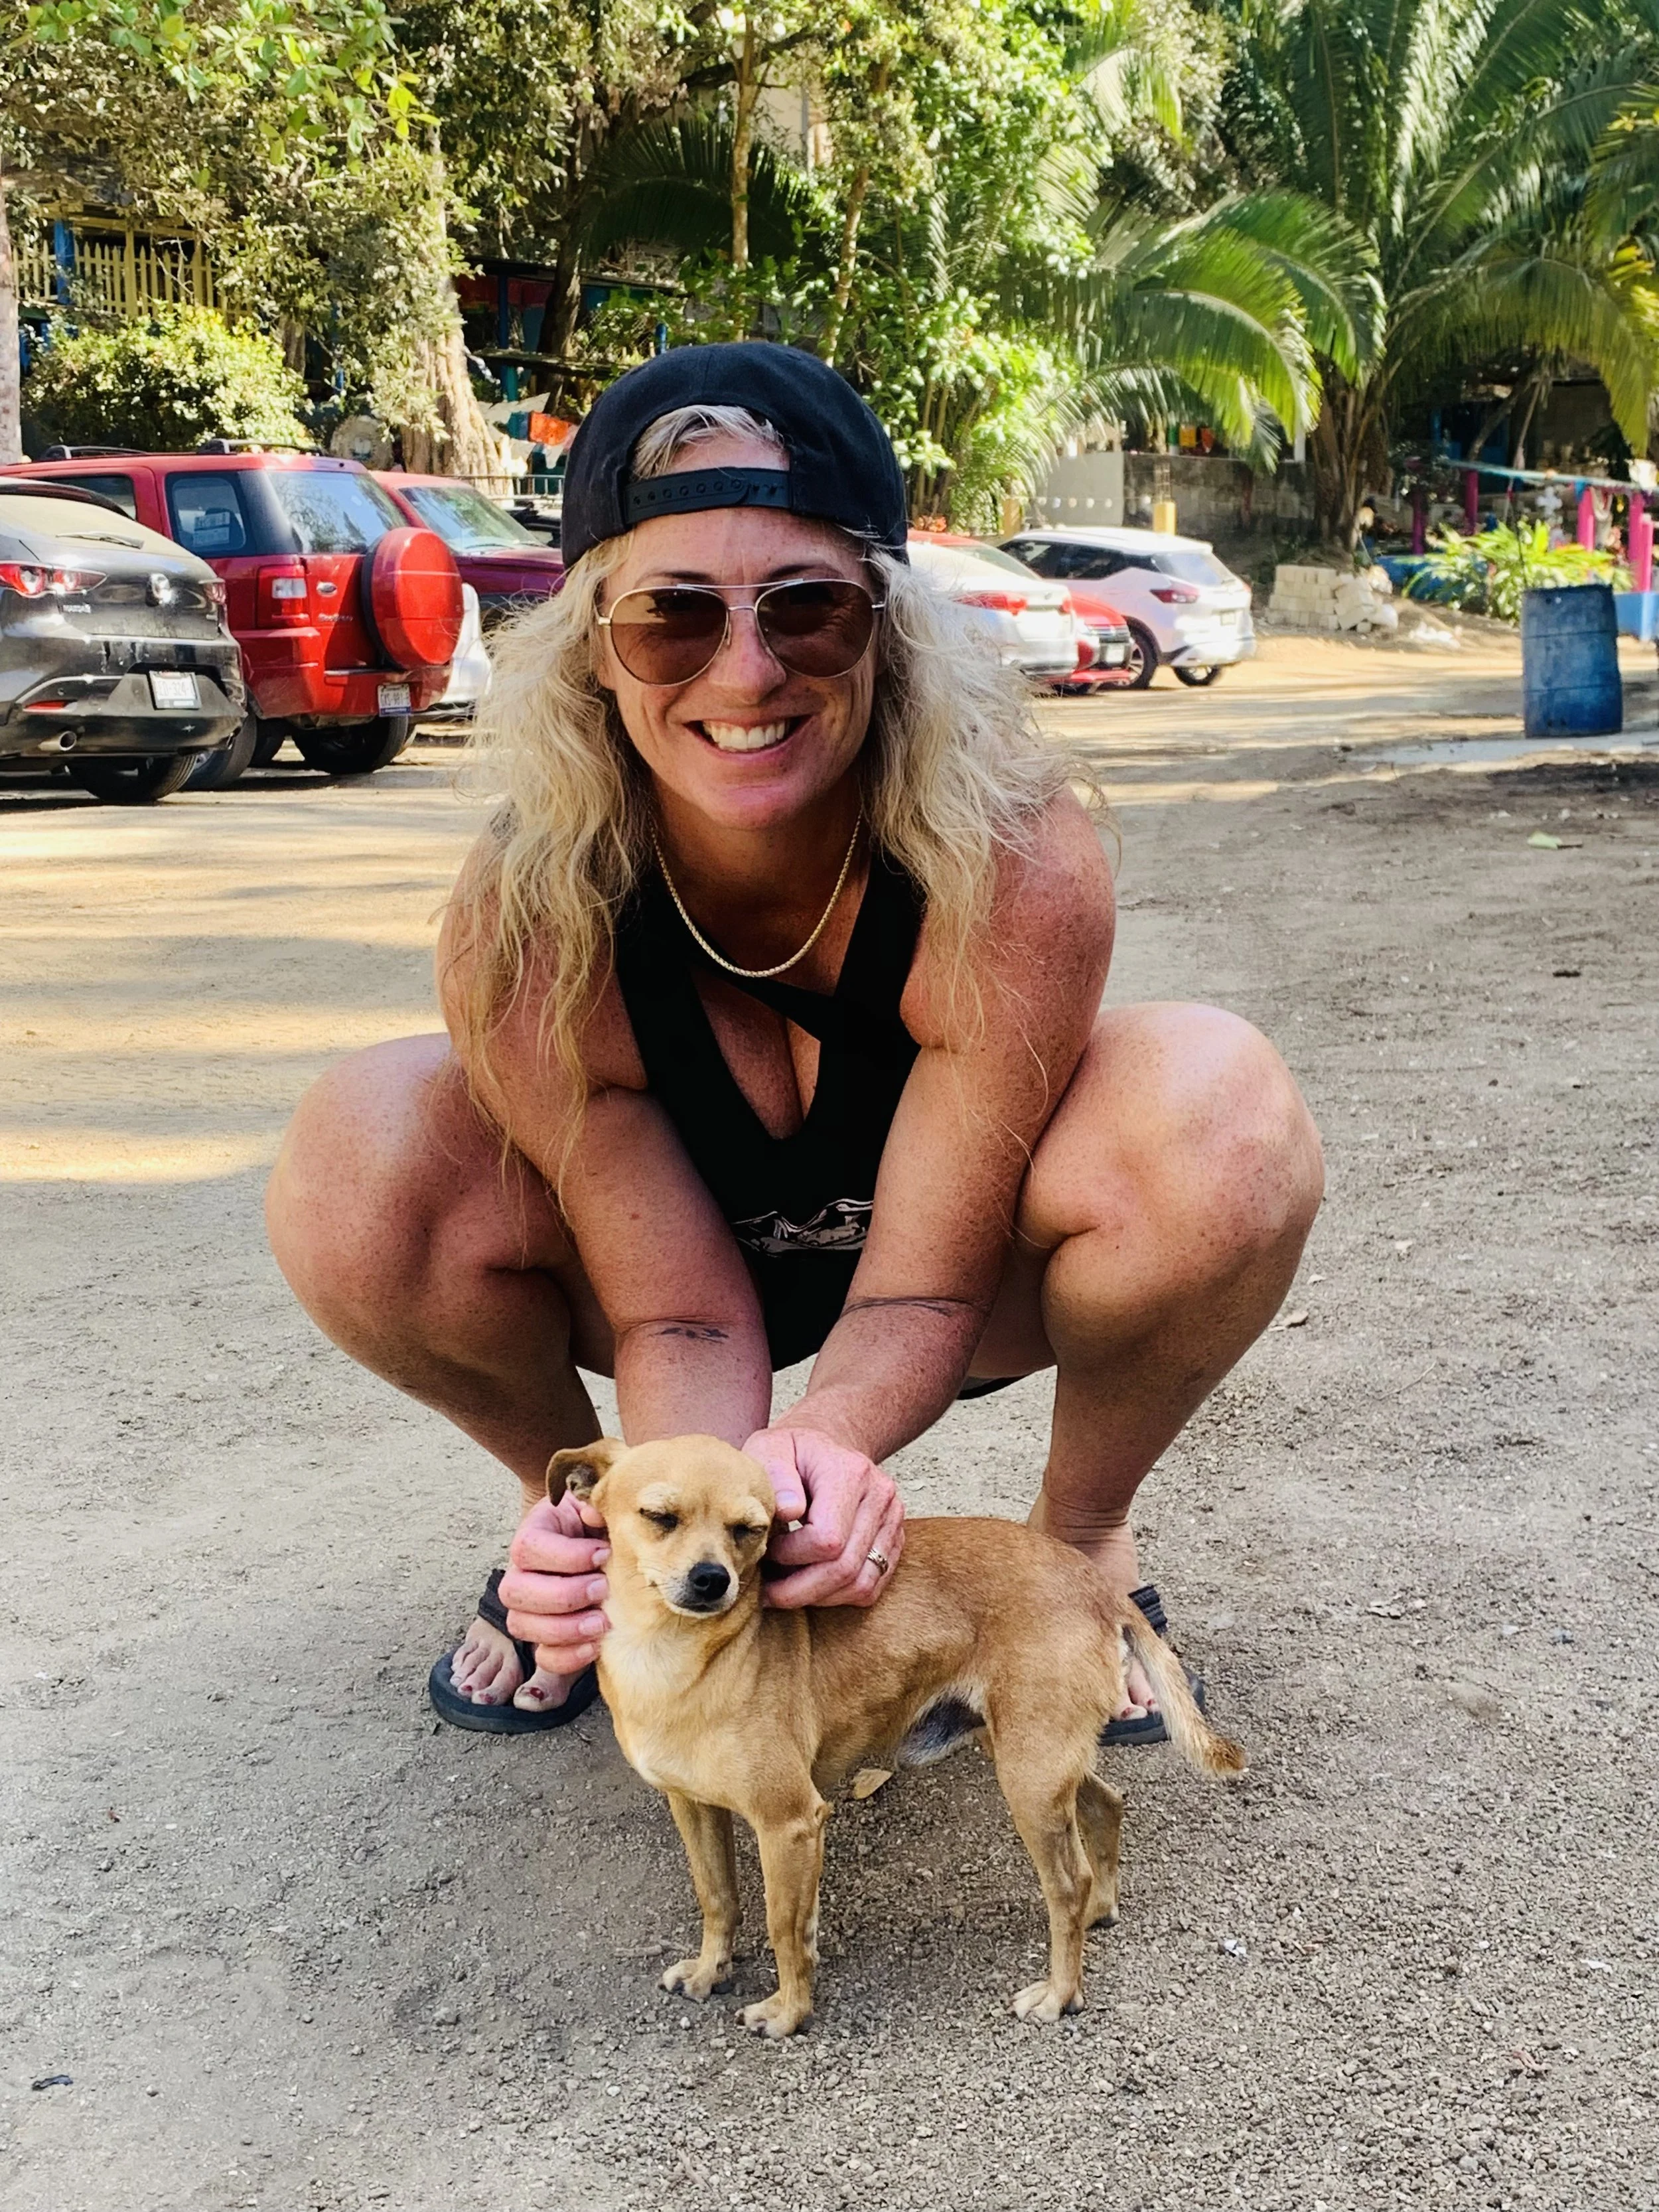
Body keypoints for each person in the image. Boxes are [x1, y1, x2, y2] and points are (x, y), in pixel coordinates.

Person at [265, 342, 1323, 1741]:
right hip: (665, 1294)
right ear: (592, 645)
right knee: (359, 1153)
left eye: (809, 608)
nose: (747, 671)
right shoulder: (528, 918)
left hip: (957, 1279)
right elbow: (680, 1315)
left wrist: (817, 1448)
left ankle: (1077, 1545)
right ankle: (582, 1533)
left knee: (1218, 1108)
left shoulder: (1010, 860)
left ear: (888, 626)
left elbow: (921, 1293)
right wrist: (687, 1497)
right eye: (672, 617)